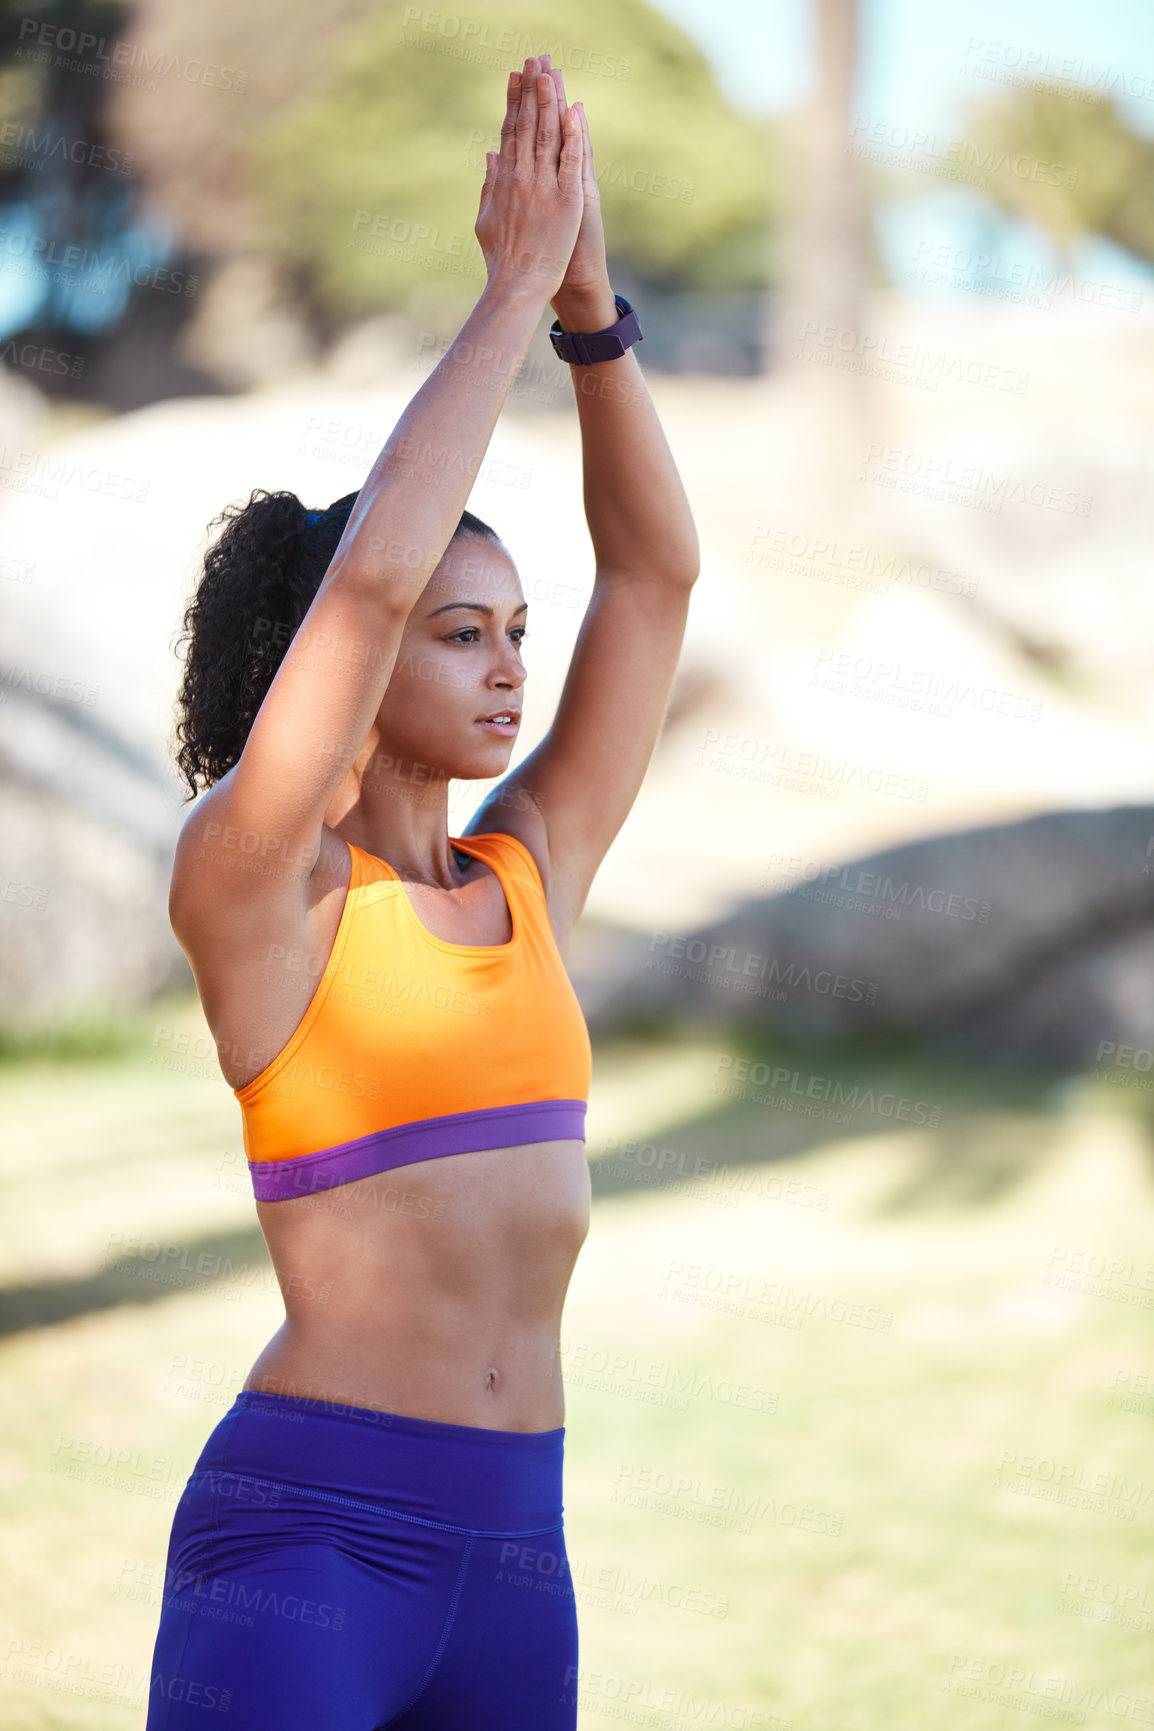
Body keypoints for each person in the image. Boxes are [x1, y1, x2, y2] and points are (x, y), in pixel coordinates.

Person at [146, 51, 699, 1730]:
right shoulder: (257, 889)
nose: (505, 667)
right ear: (357, 660)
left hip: (515, 1556)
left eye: (515, 631)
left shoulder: (530, 875)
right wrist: (511, 289)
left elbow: (657, 577)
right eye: (462, 634)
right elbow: (375, 569)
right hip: (308, 1543)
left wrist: (592, 323)